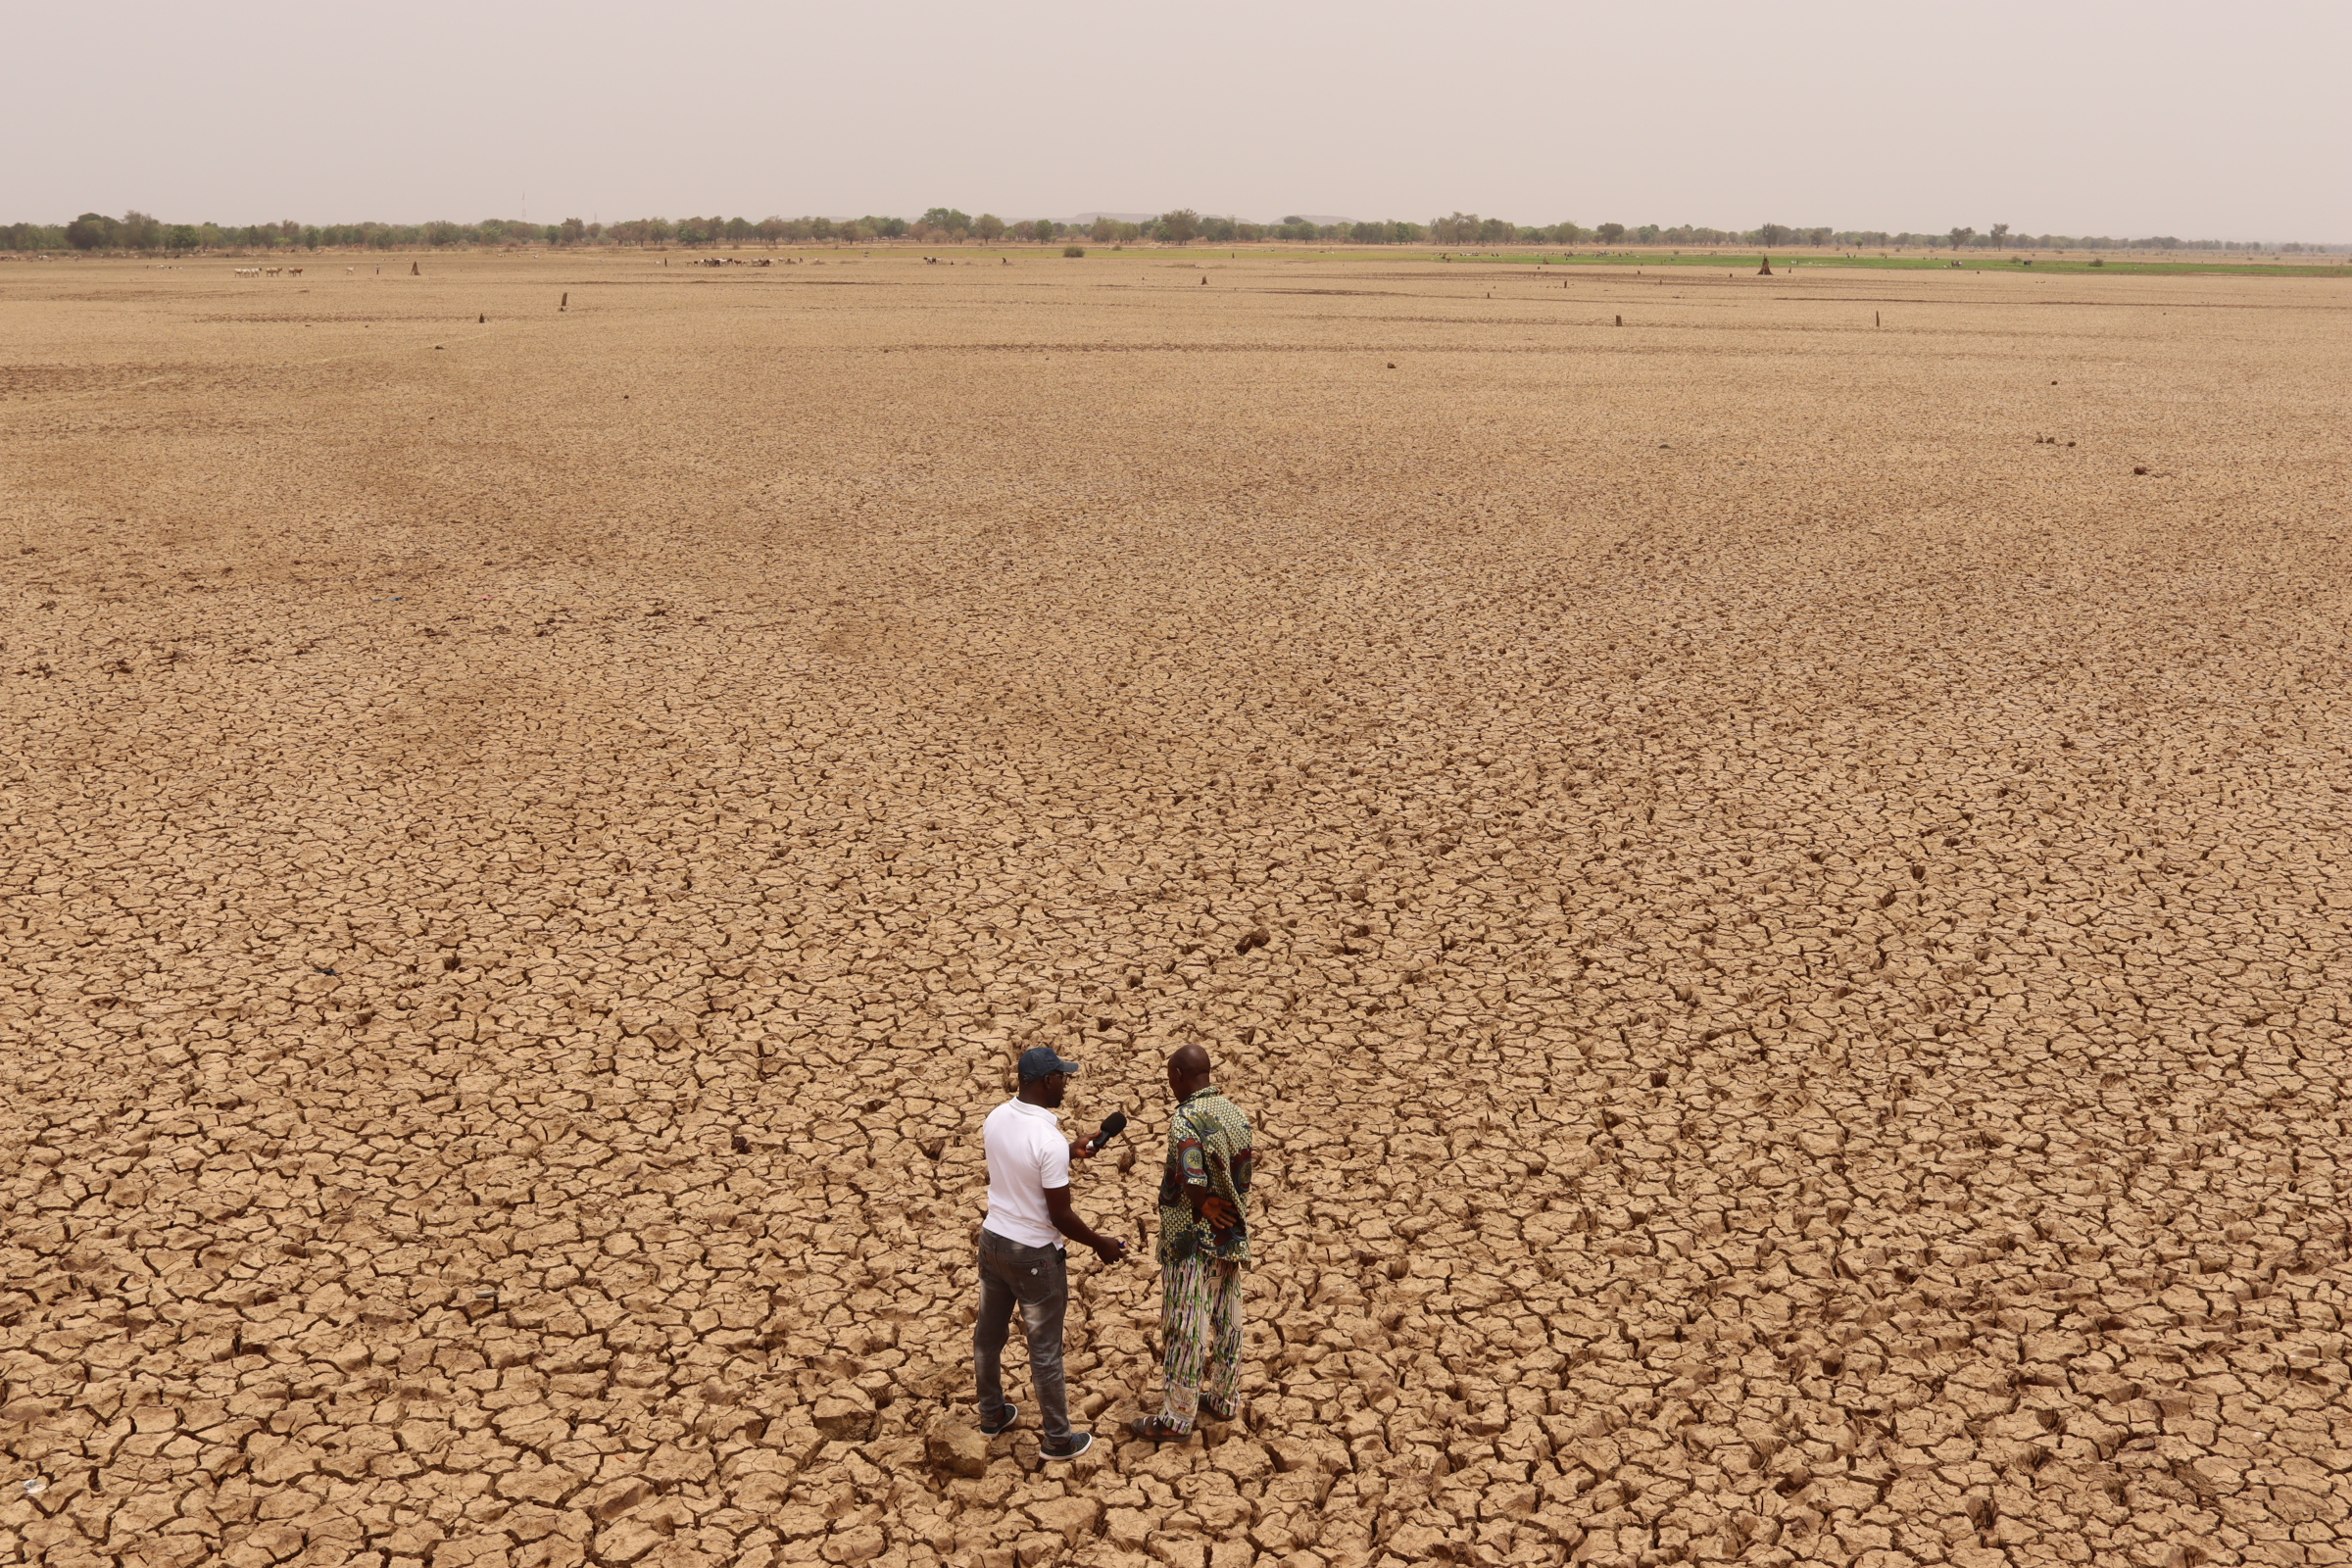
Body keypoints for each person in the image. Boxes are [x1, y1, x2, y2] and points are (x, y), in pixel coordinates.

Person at [975, 1044, 1127, 1460]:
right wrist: (1102, 1245)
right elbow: (1060, 1216)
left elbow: (1018, 1169)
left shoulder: (996, 1118)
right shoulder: (1047, 1140)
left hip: (992, 1243)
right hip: (1034, 1258)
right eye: (1062, 1076)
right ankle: (1058, 1440)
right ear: (1047, 1082)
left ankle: (991, 1414)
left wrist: (1070, 1150)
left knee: (988, 1338)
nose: (1066, 1082)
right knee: (1044, 1352)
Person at [1131, 1044, 1254, 1441]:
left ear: (1180, 1076)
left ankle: (1177, 1417)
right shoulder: (1235, 1113)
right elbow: (1243, 1171)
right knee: (1227, 1318)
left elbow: (1192, 1174)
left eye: (1170, 1077)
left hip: (1190, 1240)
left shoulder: (1186, 1118)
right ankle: (1223, 1398)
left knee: (1186, 1323)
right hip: (1228, 1235)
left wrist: (1202, 1205)